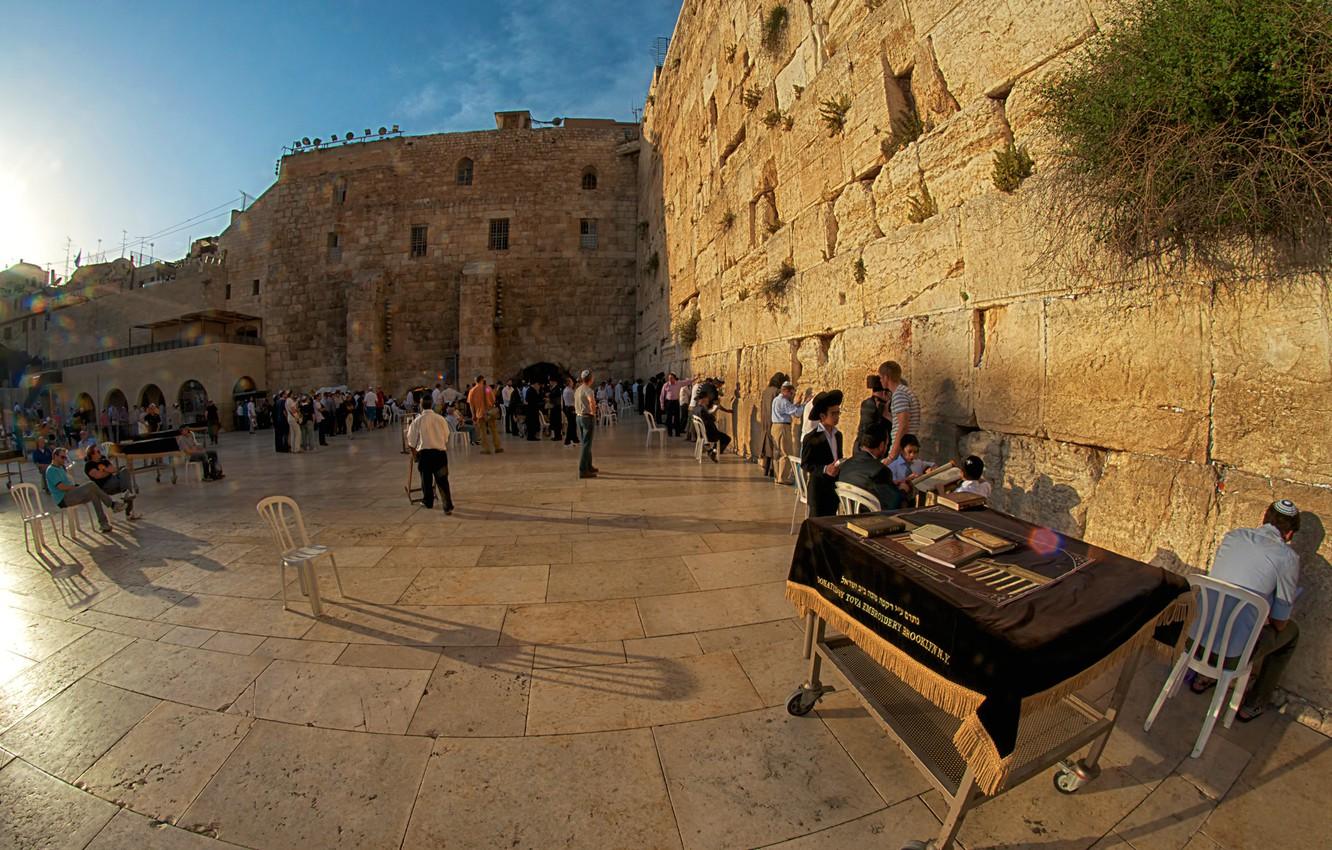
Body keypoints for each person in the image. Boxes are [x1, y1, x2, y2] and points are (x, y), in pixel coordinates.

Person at [1187, 500, 1303, 721]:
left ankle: (1205, 676)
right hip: (1229, 655)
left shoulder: (1233, 536)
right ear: (1288, 534)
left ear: (1264, 518)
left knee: (1227, 614)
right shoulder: (1287, 558)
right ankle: (1255, 702)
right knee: (1291, 633)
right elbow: (1280, 623)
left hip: (1194, 641)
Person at [45, 447, 118, 532]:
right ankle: (112, 504)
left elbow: (68, 484)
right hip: (63, 498)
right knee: (91, 484)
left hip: (71, 494)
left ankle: (103, 524)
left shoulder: (60, 468)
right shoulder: (51, 470)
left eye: (65, 457)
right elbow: (61, 487)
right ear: (55, 456)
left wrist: (75, 487)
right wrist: (75, 488)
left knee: (94, 494)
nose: (64, 460)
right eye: (62, 457)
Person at [837, 420, 903, 510]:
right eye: (887, 444)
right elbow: (891, 505)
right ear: (881, 445)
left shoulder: (846, 464)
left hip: (849, 516)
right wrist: (903, 490)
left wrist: (891, 484)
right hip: (871, 519)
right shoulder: (881, 470)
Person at [799, 390, 844, 517]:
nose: (837, 417)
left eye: (838, 413)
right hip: (818, 489)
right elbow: (805, 464)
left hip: (833, 488)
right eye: (833, 413)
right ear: (823, 416)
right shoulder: (812, 438)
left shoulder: (838, 435)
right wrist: (824, 469)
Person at [406, 404, 455, 514]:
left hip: (425, 454)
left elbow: (410, 440)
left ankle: (428, 501)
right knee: (443, 481)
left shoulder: (417, 421)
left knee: (426, 479)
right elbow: (446, 436)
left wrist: (415, 455)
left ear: (421, 406)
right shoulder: (440, 419)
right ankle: (447, 506)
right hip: (440, 454)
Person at [879, 360, 921, 463]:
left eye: (880, 377)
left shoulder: (899, 395)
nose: (880, 381)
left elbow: (903, 426)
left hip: (902, 451)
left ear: (886, 377)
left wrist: (891, 456)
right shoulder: (905, 392)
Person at [84, 445, 141, 519]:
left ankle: (126, 500)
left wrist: (104, 470)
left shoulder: (104, 460)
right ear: (92, 454)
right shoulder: (89, 465)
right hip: (105, 486)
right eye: (97, 451)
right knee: (126, 486)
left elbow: (114, 469)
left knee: (124, 471)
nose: (100, 453)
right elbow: (98, 476)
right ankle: (129, 512)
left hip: (114, 481)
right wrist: (107, 470)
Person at [770, 381, 804, 485]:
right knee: (786, 453)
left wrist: (797, 404)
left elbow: (788, 409)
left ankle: (777, 476)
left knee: (776, 453)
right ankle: (783, 478)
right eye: (791, 393)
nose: (791, 396)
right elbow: (797, 413)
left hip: (775, 427)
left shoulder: (776, 399)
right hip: (783, 427)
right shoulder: (784, 401)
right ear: (786, 391)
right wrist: (805, 404)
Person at [757, 372, 785, 477]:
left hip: (765, 420)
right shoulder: (777, 392)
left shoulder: (765, 391)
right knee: (774, 446)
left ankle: (766, 469)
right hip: (773, 421)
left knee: (767, 444)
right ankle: (773, 470)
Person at [693, 385, 731, 462]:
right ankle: (713, 451)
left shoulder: (697, 408)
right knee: (726, 438)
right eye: (707, 398)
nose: (709, 400)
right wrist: (714, 411)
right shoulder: (703, 410)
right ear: (703, 399)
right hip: (709, 434)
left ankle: (711, 451)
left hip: (700, 434)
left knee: (721, 436)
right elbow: (711, 419)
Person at [467, 375, 501, 454]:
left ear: (476, 381)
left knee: (482, 431)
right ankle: (497, 447)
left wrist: (473, 415)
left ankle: (486, 449)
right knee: (494, 429)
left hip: (480, 413)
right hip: (489, 412)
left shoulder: (472, 390)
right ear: (483, 380)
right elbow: (493, 399)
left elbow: (471, 405)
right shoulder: (487, 389)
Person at [856, 375, 890, 452]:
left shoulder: (879, 405)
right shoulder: (869, 405)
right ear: (884, 392)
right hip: (867, 451)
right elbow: (866, 431)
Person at [575, 369, 597, 479]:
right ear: (590, 378)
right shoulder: (588, 390)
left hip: (579, 417)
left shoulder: (578, 389)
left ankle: (589, 465)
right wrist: (593, 413)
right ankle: (583, 470)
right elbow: (591, 402)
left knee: (586, 443)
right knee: (586, 444)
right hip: (587, 418)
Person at [562, 377, 579, 446]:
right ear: (568, 383)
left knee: (573, 424)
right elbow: (575, 398)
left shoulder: (567, 390)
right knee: (571, 424)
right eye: (571, 382)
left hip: (568, 408)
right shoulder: (569, 391)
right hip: (570, 408)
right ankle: (567, 440)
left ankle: (574, 438)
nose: (573, 383)